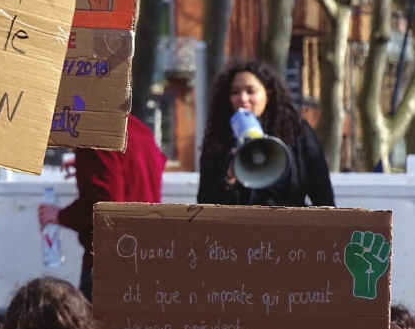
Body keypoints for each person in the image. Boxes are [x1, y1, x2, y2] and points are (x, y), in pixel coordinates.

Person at [38, 115, 166, 300]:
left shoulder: (97, 135)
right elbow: (146, 164)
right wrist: (87, 165)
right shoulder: (138, 128)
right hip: (147, 258)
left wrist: (58, 215)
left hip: (110, 263)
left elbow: (104, 204)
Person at [198, 61, 335, 207]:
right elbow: (205, 202)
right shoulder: (219, 137)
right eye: (235, 92)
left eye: (251, 91)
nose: (243, 98)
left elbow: (323, 195)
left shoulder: (297, 131)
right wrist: (228, 178)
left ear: (268, 94)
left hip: (290, 226)